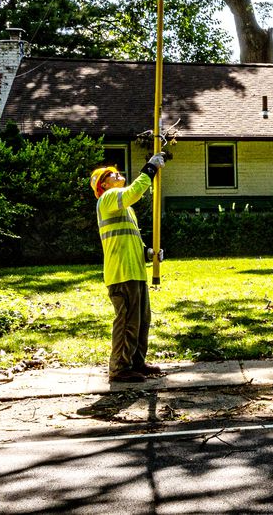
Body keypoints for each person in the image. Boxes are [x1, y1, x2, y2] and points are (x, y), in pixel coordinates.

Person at [90, 152, 168, 383]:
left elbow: (129, 240)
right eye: (112, 174)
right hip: (121, 274)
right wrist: (150, 169)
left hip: (134, 271)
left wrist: (148, 253)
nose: (118, 174)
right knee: (126, 322)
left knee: (142, 320)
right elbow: (135, 191)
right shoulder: (108, 198)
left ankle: (136, 362)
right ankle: (120, 368)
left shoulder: (124, 210)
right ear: (104, 185)